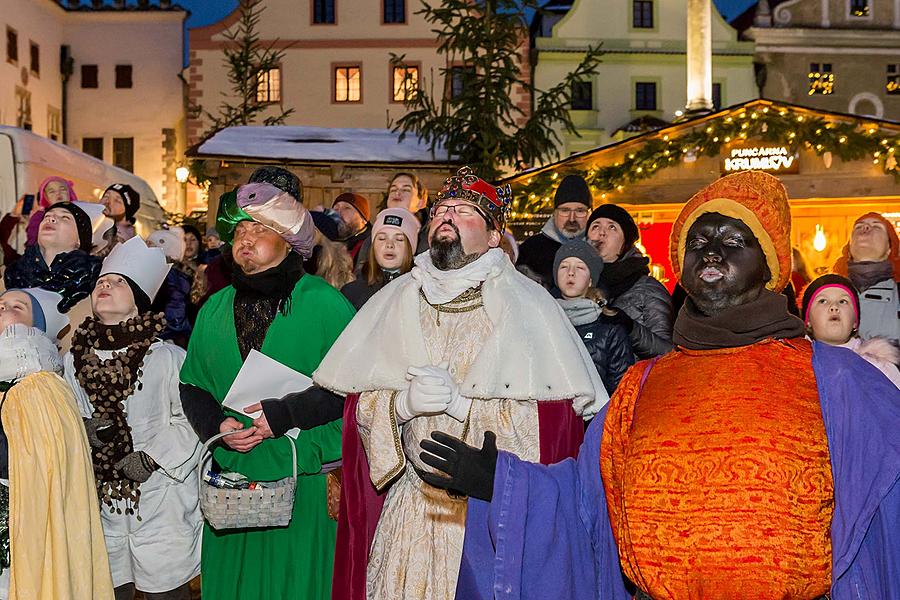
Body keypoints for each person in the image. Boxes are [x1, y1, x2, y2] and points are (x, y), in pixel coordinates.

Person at [418, 170, 900, 600]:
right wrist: (502, 482)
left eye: (733, 240)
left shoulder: (838, 377)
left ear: (770, 265)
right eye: (697, 242)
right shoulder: (641, 384)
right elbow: (588, 497)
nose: (710, 250)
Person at [250, 166, 608, 600]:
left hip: (485, 522)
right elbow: (351, 395)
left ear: (495, 236)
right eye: (442, 209)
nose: (447, 216)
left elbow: (552, 429)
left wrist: (463, 408)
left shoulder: (530, 307)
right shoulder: (397, 298)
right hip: (410, 516)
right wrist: (400, 407)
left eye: (465, 211)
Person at [178, 176, 355, 600]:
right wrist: (216, 425)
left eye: (260, 229)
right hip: (234, 490)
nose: (246, 239)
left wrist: (287, 413)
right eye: (240, 230)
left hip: (301, 481)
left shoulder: (325, 304)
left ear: (290, 240)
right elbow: (193, 385)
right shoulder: (213, 308)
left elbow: (357, 389)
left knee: (295, 585)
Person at [64, 237, 201, 600]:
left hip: (161, 502)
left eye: (119, 281)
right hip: (103, 504)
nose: (104, 285)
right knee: (109, 589)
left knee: (165, 593)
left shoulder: (167, 357)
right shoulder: (73, 360)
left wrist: (151, 457)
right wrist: (83, 430)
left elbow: (191, 422)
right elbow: (69, 415)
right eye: (101, 282)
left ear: (139, 300)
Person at [0, 287, 114, 600]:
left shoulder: (44, 383)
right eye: (1, 304)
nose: (5, 308)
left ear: (37, 325)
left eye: (18, 306)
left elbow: (51, 461)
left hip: (23, 511)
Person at [585, 204, 674, 359]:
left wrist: (630, 328)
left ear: (625, 242)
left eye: (612, 227)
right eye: (595, 226)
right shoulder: (575, 284)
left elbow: (667, 352)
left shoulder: (648, 289)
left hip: (632, 380)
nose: (601, 232)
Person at [554, 240, 634, 395]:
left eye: (580, 267)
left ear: (591, 279)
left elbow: (621, 390)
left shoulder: (610, 329)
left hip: (597, 417)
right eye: (564, 266)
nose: (571, 272)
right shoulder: (544, 319)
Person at [3, 201, 108, 312]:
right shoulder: (12, 275)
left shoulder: (97, 277)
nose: (51, 219)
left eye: (65, 217)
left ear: (80, 239)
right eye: (47, 216)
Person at [802, 274, 900, 388]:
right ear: (808, 320)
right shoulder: (795, 363)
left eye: (843, 301)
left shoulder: (881, 368)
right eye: (823, 301)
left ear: (855, 322)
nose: (834, 307)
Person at [832, 212, 899, 343]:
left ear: (890, 248)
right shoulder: (828, 290)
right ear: (849, 246)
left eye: (877, 226)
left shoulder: (898, 292)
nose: (866, 228)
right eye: (859, 227)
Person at [516, 174, 591, 287]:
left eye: (580, 211)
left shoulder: (597, 250)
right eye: (565, 210)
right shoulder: (530, 250)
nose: (572, 219)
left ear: (589, 213)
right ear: (554, 213)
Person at [340, 207, 419, 310]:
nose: (389, 244)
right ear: (373, 246)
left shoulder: (423, 293)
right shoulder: (351, 292)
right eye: (382, 238)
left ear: (410, 248)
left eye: (399, 239)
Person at [147, 228, 193, 347]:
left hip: (168, 337)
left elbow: (175, 308)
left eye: (150, 247)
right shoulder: (165, 274)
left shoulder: (169, 277)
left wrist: (172, 332)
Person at [22, 176, 79, 248]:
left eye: (63, 189)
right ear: (46, 197)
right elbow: (32, 244)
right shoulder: (39, 217)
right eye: (52, 191)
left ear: (69, 193)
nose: (58, 193)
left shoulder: (79, 215)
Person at [333, 192, 372, 266]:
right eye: (336, 208)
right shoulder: (326, 241)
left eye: (347, 208)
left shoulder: (371, 246)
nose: (338, 212)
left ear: (363, 219)